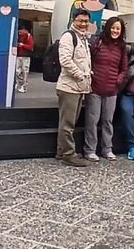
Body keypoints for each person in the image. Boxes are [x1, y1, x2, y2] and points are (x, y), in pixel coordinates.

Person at [83, 17, 128, 162]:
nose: (115, 31)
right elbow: (87, 60)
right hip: (94, 88)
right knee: (92, 119)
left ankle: (107, 149)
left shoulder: (121, 47)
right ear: (108, 27)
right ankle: (90, 150)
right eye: (113, 27)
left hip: (111, 90)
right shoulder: (97, 42)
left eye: (118, 29)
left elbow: (124, 67)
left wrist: (118, 80)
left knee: (108, 121)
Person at [56, 9, 93, 167]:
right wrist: (80, 75)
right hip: (69, 86)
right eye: (81, 21)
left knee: (70, 121)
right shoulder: (68, 36)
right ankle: (68, 154)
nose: (83, 24)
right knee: (68, 123)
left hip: (79, 87)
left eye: (86, 21)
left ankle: (61, 150)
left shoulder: (83, 38)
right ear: (74, 20)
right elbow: (65, 60)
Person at [16, 25, 34, 93]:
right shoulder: (27, 36)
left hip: (24, 55)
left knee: (22, 71)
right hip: (22, 55)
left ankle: (23, 85)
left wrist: (22, 45)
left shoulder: (27, 36)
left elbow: (30, 47)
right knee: (21, 71)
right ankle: (22, 85)